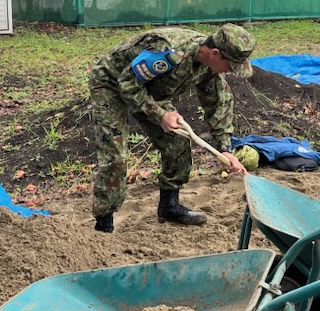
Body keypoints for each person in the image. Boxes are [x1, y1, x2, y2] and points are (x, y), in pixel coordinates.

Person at [89, 24, 253, 232]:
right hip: (111, 84)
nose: (230, 71)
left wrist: (225, 149)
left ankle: (169, 206)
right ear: (215, 53)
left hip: (149, 90)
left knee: (177, 141)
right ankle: (104, 224)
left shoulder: (208, 65)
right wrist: (160, 115)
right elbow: (128, 84)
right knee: (115, 155)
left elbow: (218, 102)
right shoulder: (168, 52)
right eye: (230, 66)